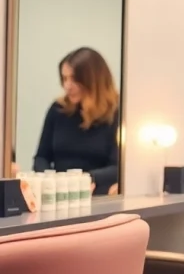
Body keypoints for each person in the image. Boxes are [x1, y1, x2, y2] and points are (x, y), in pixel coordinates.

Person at [33, 47, 120, 196]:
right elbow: (41, 157)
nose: (67, 86)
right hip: (59, 195)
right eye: (64, 78)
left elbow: (119, 167)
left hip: (98, 195)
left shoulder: (117, 113)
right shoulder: (57, 109)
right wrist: (49, 180)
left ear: (93, 80)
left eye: (74, 79)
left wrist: (84, 179)